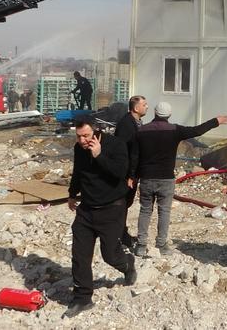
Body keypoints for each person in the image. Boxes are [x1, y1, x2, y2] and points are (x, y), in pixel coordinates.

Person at [134, 102, 227, 257]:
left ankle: (141, 245)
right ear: (169, 115)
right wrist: (216, 121)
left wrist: (133, 175)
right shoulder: (175, 130)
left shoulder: (141, 131)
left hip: (146, 177)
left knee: (145, 211)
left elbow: (134, 155)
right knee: (164, 211)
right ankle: (161, 245)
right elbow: (196, 130)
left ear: (155, 113)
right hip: (166, 178)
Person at [65, 117, 137, 318]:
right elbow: (77, 173)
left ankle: (127, 264)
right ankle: (82, 298)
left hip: (112, 209)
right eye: (78, 136)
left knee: (110, 254)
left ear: (96, 132)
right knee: (79, 255)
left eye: (86, 136)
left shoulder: (116, 145)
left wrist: (99, 155)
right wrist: (72, 194)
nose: (82, 140)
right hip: (86, 210)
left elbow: (120, 173)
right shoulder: (79, 148)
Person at [114, 95, 148, 251]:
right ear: (136, 108)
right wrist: (129, 175)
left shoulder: (137, 123)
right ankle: (119, 235)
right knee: (122, 203)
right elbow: (124, 152)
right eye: (144, 104)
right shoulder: (126, 125)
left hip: (133, 171)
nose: (146, 107)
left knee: (126, 203)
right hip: (126, 173)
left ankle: (121, 232)